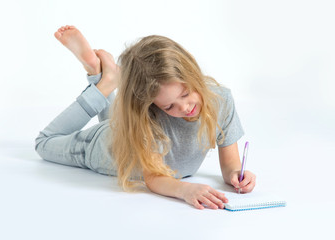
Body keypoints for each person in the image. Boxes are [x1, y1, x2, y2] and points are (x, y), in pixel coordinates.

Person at [35, 25, 256, 210]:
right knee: (44, 142)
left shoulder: (221, 100)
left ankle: (102, 75)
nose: (185, 107)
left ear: (193, 73)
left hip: (127, 133)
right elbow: (153, 178)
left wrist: (236, 174)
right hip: (105, 149)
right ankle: (103, 86)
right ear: (151, 105)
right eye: (169, 106)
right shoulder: (148, 122)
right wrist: (185, 190)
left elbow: (230, 164)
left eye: (186, 93)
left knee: (116, 122)